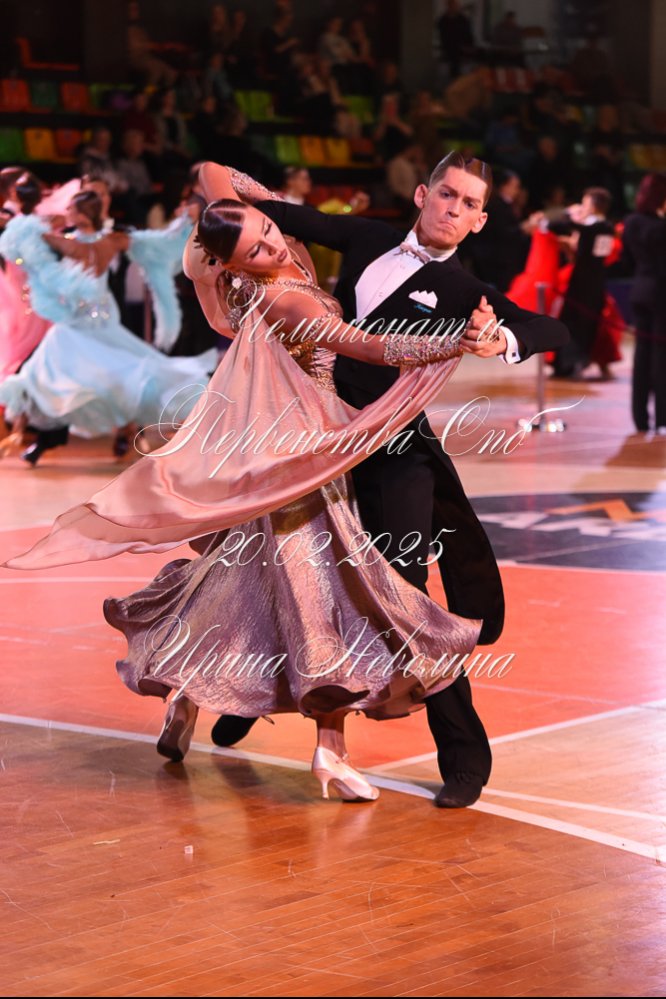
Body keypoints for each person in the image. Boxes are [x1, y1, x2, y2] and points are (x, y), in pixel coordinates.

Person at [5, 164, 489, 804]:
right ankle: (330, 752)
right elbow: (371, 348)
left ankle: (185, 697)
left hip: (283, 457)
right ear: (233, 267)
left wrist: (257, 204)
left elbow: (209, 173)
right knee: (324, 605)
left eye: (269, 231)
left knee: (238, 591)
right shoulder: (282, 299)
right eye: (256, 249)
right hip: (300, 469)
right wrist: (456, 343)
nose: (272, 245)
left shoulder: (261, 265)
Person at [208, 152, 570, 807]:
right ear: (423, 194)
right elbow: (274, 209)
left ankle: (463, 755)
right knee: (287, 576)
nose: (454, 208)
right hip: (316, 438)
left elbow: (552, 327)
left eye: (469, 204)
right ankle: (251, 699)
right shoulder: (367, 236)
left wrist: (500, 341)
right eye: (447, 194)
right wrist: (224, 194)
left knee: (406, 591)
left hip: (394, 448)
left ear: (479, 221)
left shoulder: (463, 291)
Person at [0, 191, 217, 464]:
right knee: (116, 376)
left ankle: (22, 432)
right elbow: (159, 243)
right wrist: (185, 223)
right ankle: (33, 435)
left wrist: (34, 224)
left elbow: (25, 240)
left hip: (79, 321)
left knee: (45, 372)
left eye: (71, 208)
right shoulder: (111, 241)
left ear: (81, 214)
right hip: (103, 316)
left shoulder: (69, 245)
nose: (66, 211)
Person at [550, 188, 615, 379]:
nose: (582, 207)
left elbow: (556, 224)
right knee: (586, 323)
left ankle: (571, 363)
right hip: (596, 282)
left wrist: (568, 213)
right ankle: (572, 362)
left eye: (585, 204)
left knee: (576, 322)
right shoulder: (607, 226)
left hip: (582, 283)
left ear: (593, 206)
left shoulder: (594, 226)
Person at [622, 173, 666, 433]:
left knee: (642, 356)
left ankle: (640, 418)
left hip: (639, 291)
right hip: (660, 295)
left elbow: (627, 260)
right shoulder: (660, 227)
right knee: (661, 358)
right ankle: (662, 419)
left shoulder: (631, 222)